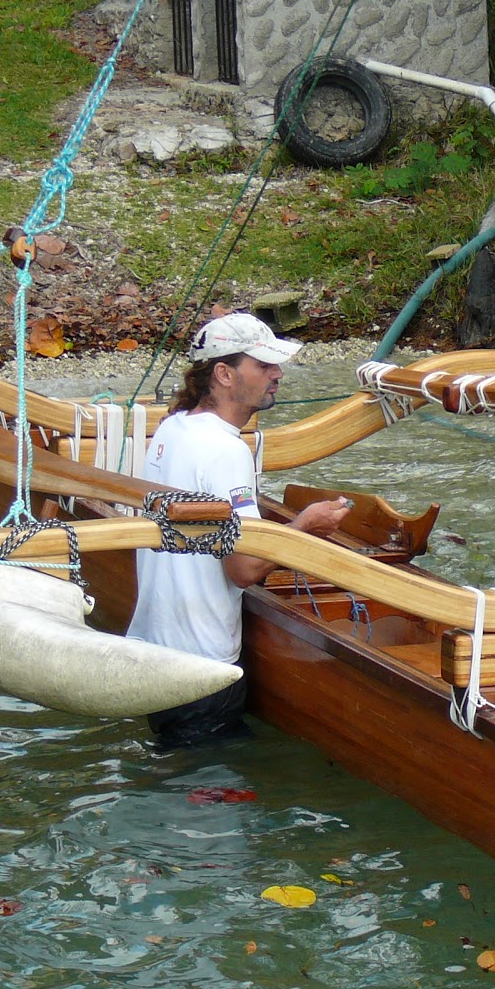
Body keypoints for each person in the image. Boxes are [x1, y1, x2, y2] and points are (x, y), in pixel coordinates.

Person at [127, 312, 351, 748]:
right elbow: (244, 569)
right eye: (264, 365)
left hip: (156, 655)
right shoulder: (226, 451)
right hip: (204, 669)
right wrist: (306, 526)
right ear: (225, 374)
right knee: (215, 805)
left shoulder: (172, 428)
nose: (277, 374)